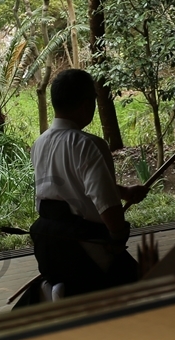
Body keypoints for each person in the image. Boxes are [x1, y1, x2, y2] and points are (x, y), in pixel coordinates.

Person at [27, 68, 149, 298]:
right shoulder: (88, 145)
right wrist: (118, 236)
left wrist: (124, 192)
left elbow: (69, 188)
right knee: (143, 289)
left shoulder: (40, 142)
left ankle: (56, 289)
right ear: (87, 105)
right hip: (85, 247)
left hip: (49, 243)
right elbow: (106, 206)